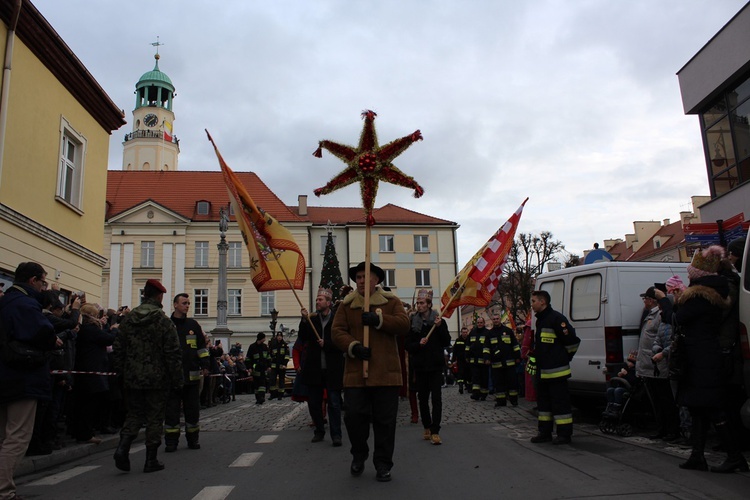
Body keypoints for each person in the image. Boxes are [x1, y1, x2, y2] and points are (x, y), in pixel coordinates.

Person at [331, 262, 410, 482]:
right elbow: (336, 332)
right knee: (354, 417)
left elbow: (404, 324)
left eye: (366, 277)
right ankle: (359, 453)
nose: (362, 281)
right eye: (358, 277)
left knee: (386, 422)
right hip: (356, 375)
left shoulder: (391, 302)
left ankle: (383, 463)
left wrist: (379, 320)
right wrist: (353, 346)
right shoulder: (346, 305)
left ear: (377, 280)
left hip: (386, 373)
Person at [676, 245, 748, 473]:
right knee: (699, 408)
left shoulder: (699, 296)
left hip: (702, 358)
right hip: (703, 356)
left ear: (697, 275)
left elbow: (679, 318)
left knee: (713, 408)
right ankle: (698, 455)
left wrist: (671, 301)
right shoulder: (713, 292)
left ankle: (735, 456)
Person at [0, 262, 59, 499]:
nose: (45, 287)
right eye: (43, 282)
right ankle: (4, 491)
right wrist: (52, 340)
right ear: (33, 280)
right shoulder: (25, 304)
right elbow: (43, 332)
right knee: (17, 437)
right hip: (22, 377)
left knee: (4, 436)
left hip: (5, 375)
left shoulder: (6, 302)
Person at [112, 279, 183, 473]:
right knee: (154, 418)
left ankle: (122, 448)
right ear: (159, 296)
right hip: (157, 378)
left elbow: (118, 348)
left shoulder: (129, 318)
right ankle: (150, 460)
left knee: (134, 414)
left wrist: (121, 372)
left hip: (132, 376)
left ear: (144, 294)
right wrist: (177, 379)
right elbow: (172, 352)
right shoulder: (162, 320)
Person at [529, 290, 580, 445]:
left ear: (542, 302)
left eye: (533, 301)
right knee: (544, 406)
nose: (531, 305)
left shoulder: (557, 319)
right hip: (543, 373)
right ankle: (544, 432)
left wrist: (563, 358)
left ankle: (564, 435)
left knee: (560, 405)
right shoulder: (541, 320)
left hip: (557, 373)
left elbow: (572, 342)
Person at [298, 287, 345, 446]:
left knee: (334, 403)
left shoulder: (337, 320)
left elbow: (342, 342)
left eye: (320, 299)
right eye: (317, 299)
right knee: (314, 403)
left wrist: (328, 344)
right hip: (314, 368)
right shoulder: (312, 319)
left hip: (332, 368)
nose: (317, 302)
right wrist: (304, 320)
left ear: (328, 303)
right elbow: (302, 338)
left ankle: (336, 434)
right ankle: (319, 430)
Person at [165, 293, 209, 453]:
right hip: (172, 376)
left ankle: (193, 439)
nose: (187, 306)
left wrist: (205, 364)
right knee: (171, 410)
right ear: (175, 305)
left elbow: (202, 347)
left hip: (192, 375)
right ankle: (171, 441)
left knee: (192, 410)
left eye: (189, 303)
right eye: (184, 303)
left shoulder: (193, 325)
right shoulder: (167, 325)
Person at [406, 289, 451, 445]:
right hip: (420, 367)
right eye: (418, 303)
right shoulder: (413, 323)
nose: (419, 305)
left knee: (437, 399)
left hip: (435, 366)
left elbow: (446, 341)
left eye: (422, 303)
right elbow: (408, 345)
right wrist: (418, 344)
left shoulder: (439, 321)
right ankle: (426, 425)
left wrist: (440, 327)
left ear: (429, 304)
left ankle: (435, 430)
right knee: (423, 398)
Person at [636, 286, 680, 441]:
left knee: (665, 400)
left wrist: (659, 352)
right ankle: (662, 429)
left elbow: (667, 338)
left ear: (653, 300)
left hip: (658, 365)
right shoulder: (650, 314)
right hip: (649, 364)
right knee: (656, 401)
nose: (644, 301)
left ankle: (671, 430)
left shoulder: (660, 316)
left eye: (646, 298)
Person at [71, 303, 115, 444]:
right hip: (91, 371)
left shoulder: (85, 329)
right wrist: (114, 329)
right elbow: (108, 339)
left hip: (86, 370)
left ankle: (82, 431)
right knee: (88, 404)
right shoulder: (90, 329)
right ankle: (85, 433)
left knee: (83, 404)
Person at [486, 312, 521, 407]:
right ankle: (501, 401)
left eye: (497, 318)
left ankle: (514, 400)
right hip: (496, 364)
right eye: (494, 319)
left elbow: (515, 345)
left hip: (509, 363)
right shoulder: (489, 333)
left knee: (512, 383)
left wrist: (517, 357)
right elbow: (486, 348)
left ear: (500, 319)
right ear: (492, 321)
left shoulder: (508, 331)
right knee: (498, 383)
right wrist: (487, 358)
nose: (496, 320)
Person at [467, 316, 489, 400]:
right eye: (478, 323)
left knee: (484, 378)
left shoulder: (487, 333)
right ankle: (476, 394)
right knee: (475, 378)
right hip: (474, 360)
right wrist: (467, 355)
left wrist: (487, 358)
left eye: (481, 323)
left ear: (484, 323)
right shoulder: (472, 332)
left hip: (483, 361)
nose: (479, 324)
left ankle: (483, 394)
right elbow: (468, 345)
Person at [246, 333, 270, 405]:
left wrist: (269, 366)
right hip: (255, 369)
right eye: (264, 338)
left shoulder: (265, 347)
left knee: (262, 384)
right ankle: (258, 398)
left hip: (263, 369)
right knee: (256, 385)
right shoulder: (252, 347)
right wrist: (249, 367)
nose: (265, 339)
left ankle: (261, 397)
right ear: (261, 338)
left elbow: (268, 357)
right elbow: (248, 358)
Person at [268, 331, 290, 400]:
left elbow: (287, 356)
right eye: (278, 336)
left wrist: (284, 364)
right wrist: (269, 364)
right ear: (276, 337)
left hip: (281, 366)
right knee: (272, 380)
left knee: (281, 380)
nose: (279, 337)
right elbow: (270, 355)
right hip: (274, 366)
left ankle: (280, 395)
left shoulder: (285, 345)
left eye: (280, 336)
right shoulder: (273, 345)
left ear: (282, 337)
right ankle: (273, 394)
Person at [450, 326, 469, 394]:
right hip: (460, 360)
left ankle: (468, 386)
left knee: (468, 373)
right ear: (461, 333)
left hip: (468, 360)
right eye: (463, 332)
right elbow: (455, 350)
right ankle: (460, 386)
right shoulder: (458, 340)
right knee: (460, 373)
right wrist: (453, 360)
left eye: (466, 332)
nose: (465, 334)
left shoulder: (469, 339)